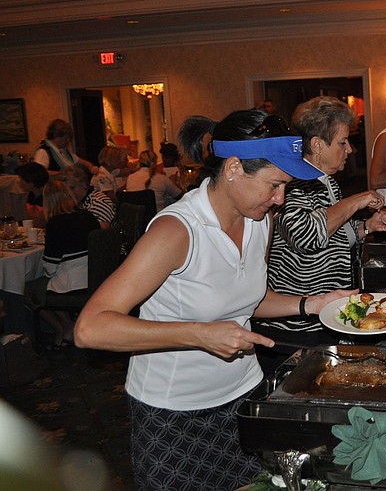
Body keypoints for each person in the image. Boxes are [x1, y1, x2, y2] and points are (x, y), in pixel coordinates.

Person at [73, 109, 354, 491]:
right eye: (274, 185)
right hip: (174, 414)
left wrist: (309, 303)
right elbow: (90, 328)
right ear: (234, 167)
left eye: (285, 186)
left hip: (243, 395)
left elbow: (244, 300)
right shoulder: (176, 230)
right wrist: (200, 334)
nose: (280, 199)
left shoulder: (260, 221)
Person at [258, 96, 386, 348]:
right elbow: (306, 237)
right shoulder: (293, 184)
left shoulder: (327, 181)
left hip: (323, 313)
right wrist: (355, 201)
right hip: (296, 322)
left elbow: (332, 232)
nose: (349, 149)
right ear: (317, 144)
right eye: (342, 142)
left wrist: (365, 227)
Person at [24, 180, 100, 349]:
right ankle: (68, 328)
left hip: (73, 283)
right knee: (46, 284)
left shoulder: (56, 224)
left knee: (28, 290)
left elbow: (50, 268)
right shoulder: (88, 216)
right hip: (95, 278)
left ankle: (63, 328)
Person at [57, 164, 116, 228]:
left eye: (72, 188)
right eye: (66, 190)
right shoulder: (76, 204)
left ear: (84, 184)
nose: (69, 193)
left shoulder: (98, 202)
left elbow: (100, 234)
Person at [33, 119, 97, 174]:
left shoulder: (64, 152)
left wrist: (90, 167)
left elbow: (81, 162)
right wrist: (62, 174)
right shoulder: (43, 152)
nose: (68, 141)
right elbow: (39, 173)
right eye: (66, 138)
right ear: (57, 137)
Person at [15, 162, 49, 227]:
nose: (19, 181)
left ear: (31, 181)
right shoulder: (31, 194)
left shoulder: (48, 195)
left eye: (22, 179)